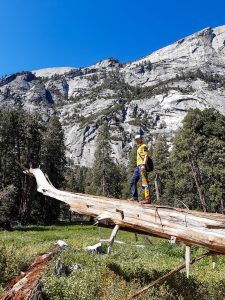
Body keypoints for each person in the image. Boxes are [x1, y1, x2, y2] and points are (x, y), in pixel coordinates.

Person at [130, 134, 151, 204]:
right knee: (132, 181)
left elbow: (146, 156)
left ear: (140, 139)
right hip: (137, 167)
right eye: (135, 139)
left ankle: (147, 199)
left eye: (137, 139)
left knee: (144, 182)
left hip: (142, 166)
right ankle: (135, 197)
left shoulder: (144, 146)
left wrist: (144, 165)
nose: (136, 140)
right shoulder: (139, 147)